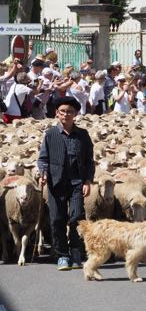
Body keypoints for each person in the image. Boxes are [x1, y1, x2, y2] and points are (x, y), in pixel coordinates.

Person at [38, 96, 95, 270]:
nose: (66, 114)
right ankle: (62, 254)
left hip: (77, 182)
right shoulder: (50, 134)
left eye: (70, 111)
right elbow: (43, 159)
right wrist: (43, 173)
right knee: (57, 219)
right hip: (56, 183)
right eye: (62, 111)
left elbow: (89, 161)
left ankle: (76, 251)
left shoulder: (82, 135)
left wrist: (87, 180)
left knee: (77, 217)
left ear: (75, 114)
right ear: (57, 113)